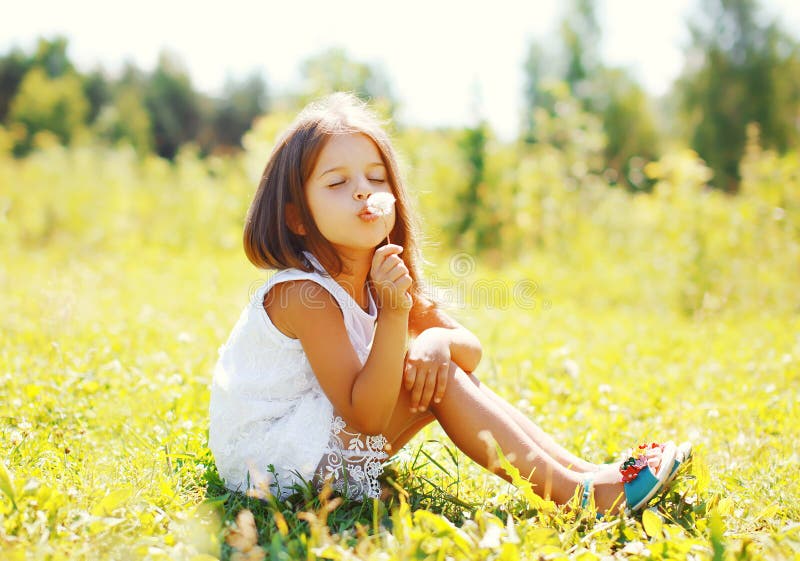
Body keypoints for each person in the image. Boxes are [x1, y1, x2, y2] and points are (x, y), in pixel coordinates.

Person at [208, 92, 690, 515]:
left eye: (376, 178)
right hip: (271, 464)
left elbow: (469, 350)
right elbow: (366, 418)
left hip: (319, 444)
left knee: (440, 367)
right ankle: (576, 494)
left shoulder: (382, 273)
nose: (363, 190)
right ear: (295, 217)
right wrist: (397, 315)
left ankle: (586, 475)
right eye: (336, 183)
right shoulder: (305, 294)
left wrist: (435, 340)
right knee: (438, 382)